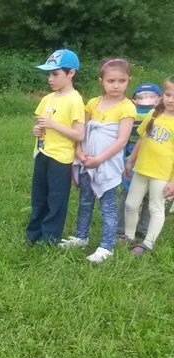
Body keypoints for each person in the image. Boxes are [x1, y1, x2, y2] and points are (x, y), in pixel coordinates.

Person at [58, 58, 136, 262]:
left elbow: (121, 140)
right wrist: (79, 152)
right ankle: (81, 236)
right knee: (85, 201)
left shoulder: (127, 107)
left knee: (107, 206)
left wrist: (99, 160)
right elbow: (81, 130)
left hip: (106, 164)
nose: (116, 85)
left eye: (121, 81)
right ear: (101, 81)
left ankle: (106, 246)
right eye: (111, 81)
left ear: (128, 81)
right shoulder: (93, 103)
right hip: (87, 161)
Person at [26, 49, 85, 244]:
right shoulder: (47, 99)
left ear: (71, 73)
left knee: (56, 199)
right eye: (48, 74)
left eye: (55, 74)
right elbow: (40, 124)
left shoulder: (75, 100)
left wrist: (53, 125)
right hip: (42, 153)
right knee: (39, 197)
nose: (50, 79)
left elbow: (79, 134)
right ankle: (33, 234)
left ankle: (49, 238)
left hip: (61, 158)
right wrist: (37, 130)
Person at [123, 76, 174, 255]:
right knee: (131, 204)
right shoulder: (154, 114)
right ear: (162, 96)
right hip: (142, 168)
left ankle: (148, 243)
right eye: (168, 94)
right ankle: (129, 236)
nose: (171, 99)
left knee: (155, 208)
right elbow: (141, 139)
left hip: (162, 173)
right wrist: (130, 160)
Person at [117, 82, 161, 238]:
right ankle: (121, 228)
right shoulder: (130, 113)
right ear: (134, 99)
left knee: (151, 196)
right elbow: (124, 138)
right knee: (128, 193)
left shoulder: (161, 116)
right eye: (141, 96)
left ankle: (144, 229)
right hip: (131, 157)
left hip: (154, 162)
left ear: (158, 99)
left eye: (151, 96)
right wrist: (125, 159)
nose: (146, 99)